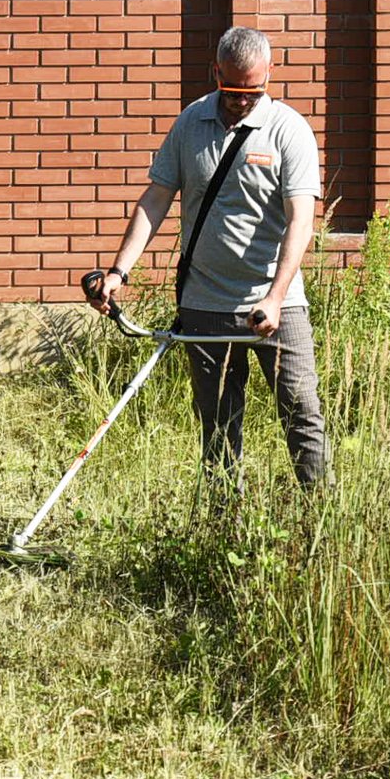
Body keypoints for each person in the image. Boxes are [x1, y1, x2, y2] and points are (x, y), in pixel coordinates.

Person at [86, 26, 331, 491]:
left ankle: (318, 516)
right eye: (232, 89)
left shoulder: (289, 130)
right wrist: (119, 271)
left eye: (252, 90)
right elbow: (156, 198)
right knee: (218, 425)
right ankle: (223, 525)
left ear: (269, 76)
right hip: (204, 306)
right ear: (216, 72)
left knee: (301, 413)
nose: (241, 100)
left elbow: (301, 221)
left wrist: (277, 297)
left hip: (275, 306)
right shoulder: (191, 122)